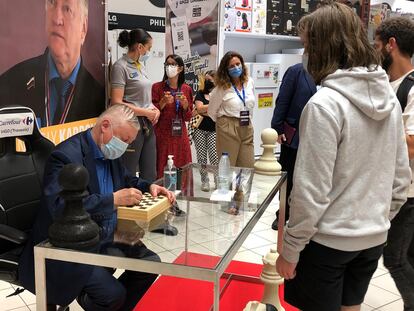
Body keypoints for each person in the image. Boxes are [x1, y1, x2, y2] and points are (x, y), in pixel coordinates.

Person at [275, 3, 411, 311]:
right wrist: (375, 219)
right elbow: (401, 178)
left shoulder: (324, 104)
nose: (305, 54)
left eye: (308, 46)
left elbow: (311, 191)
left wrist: (291, 250)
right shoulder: (388, 98)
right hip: (372, 238)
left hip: (328, 242)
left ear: (324, 46)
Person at [18, 104, 175, 310]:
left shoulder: (109, 154)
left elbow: (127, 179)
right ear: (105, 126)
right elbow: (60, 207)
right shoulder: (65, 156)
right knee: (112, 295)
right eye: (124, 140)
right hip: (71, 244)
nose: (124, 146)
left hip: (107, 235)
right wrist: (112, 200)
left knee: (150, 264)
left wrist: (150, 186)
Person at [0, 0, 105, 127]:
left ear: (83, 27)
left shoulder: (99, 100)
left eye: (67, 9)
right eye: (52, 3)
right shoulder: (10, 83)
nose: (56, 19)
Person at [375, 17, 414, 311]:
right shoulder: (388, 85)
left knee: (396, 260)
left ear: (391, 44)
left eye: (377, 44)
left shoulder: (411, 89)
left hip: (408, 193)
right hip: (389, 187)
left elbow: (413, 144)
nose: (375, 51)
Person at [270, 63, 316, 230]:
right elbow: (283, 100)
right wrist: (277, 127)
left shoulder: (333, 70)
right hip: (294, 134)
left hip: (318, 135)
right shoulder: (297, 71)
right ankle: (282, 214)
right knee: (288, 177)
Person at [111, 29, 160, 181]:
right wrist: (145, 112)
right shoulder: (120, 66)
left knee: (150, 172)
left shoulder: (141, 66)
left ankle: (149, 203)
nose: (149, 51)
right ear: (140, 47)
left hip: (147, 124)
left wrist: (154, 108)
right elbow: (116, 103)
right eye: (148, 48)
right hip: (130, 124)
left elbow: (143, 97)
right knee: (129, 171)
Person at [208, 51, 255, 168]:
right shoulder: (221, 88)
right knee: (227, 168)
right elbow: (211, 111)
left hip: (246, 124)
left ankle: (241, 187)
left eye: (238, 64)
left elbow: (250, 104)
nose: (236, 68)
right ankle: (225, 187)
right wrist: (223, 123)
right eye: (232, 66)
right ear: (226, 69)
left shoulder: (249, 82)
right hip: (228, 126)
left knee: (247, 167)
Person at [152, 54, 193, 180]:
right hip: (162, 134)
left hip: (180, 135)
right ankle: (162, 194)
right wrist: (163, 102)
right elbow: (152, 114)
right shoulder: (157, 87)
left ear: (180, 69)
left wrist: (185, 105)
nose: (169, 67)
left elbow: (188, 117)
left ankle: (181, 195)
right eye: (167, 64)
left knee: (182, 165)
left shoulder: (186, 89)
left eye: (172, 64)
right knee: (163, 164)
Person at [193, 70, 218, 191]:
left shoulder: (219, 94)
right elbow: (199, 109)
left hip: (214, 130)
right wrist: (213, 107)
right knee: (201, 157)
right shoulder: (200, 94)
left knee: (214, 156)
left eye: (210, 80)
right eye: (206, 80)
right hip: (200, 130)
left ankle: (218, 180)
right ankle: (205, 181)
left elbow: (218, 111)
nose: (207, 82)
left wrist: (205, 110)